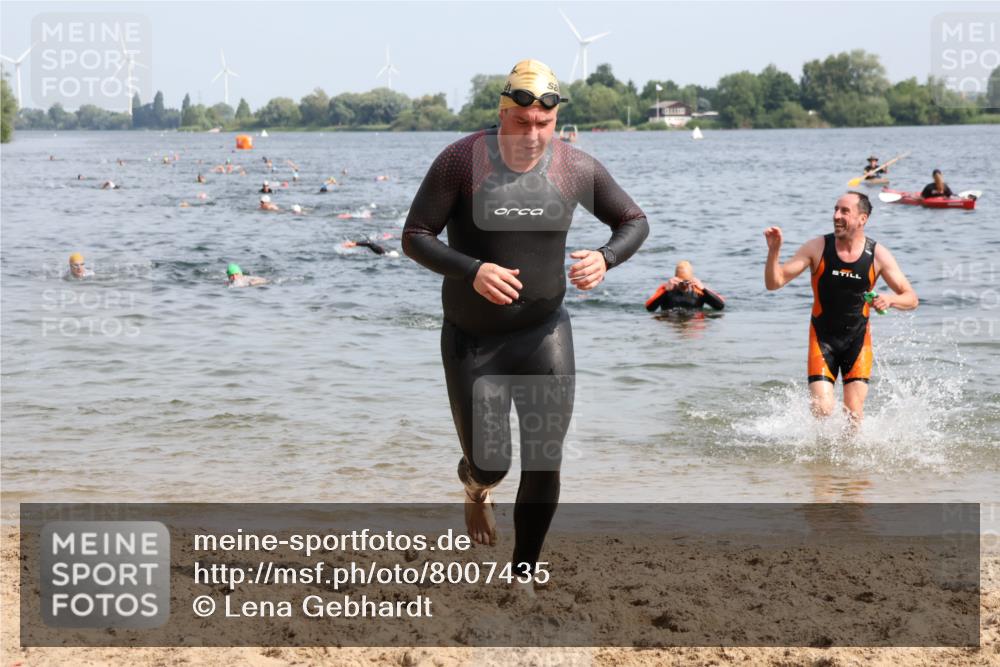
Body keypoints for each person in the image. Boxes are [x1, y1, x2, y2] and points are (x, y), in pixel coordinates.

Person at [402, 58, 648, 588]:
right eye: (521, 122)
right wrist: (472, 270)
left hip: (544, 332)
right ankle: (475, 488)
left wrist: (605, 258)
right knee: (492, 464)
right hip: (473, 339)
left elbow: (633, 220)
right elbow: (416, 235)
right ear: (502, 112)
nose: (533, 135)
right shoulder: (461, 161)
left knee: (544, 460)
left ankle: (524, 572)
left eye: (544, 124)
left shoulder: (573, 166)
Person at [763, 191, 918, 427]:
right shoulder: (817, 247)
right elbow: (774, 283)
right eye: (835, 209)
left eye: (844, 211)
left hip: (858, 341)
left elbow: (911, 298)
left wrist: (889, 299)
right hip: (822, 338)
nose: (836, 215)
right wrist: (774, 252)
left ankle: (848, 463)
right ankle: (819, 460)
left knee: (853, 417)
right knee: (822, 409)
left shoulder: (877, 255)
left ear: (862, 219)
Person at [645, 260, 725, 312]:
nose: (684, 284)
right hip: (671, 322)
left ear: (692, 279)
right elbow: (649, 309)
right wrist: (665, 290)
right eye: (680, 281)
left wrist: (704, 289)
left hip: (692, 323)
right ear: (675, 278)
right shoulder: (666, 289)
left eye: (687, 281)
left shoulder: (699, 290)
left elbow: (720, 306)